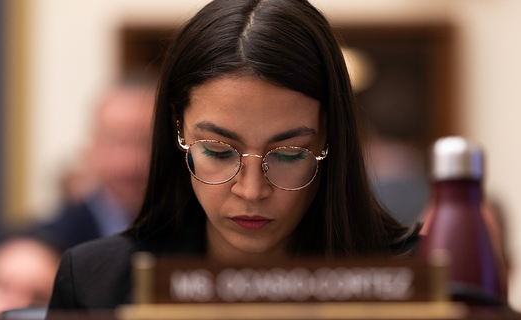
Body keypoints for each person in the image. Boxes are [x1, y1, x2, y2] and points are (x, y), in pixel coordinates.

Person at [49, 0, 418, 310]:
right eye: (219, 151)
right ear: (177, 130)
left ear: (329, 138)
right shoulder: (95, 284)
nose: (251, 191)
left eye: (288, 155)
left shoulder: (412, 282)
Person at [33, 83, 155, 252]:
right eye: (115, 142)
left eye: (145, 142)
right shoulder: (50, 245)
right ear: (92, 146)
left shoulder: (198, 234)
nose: (128, 164)